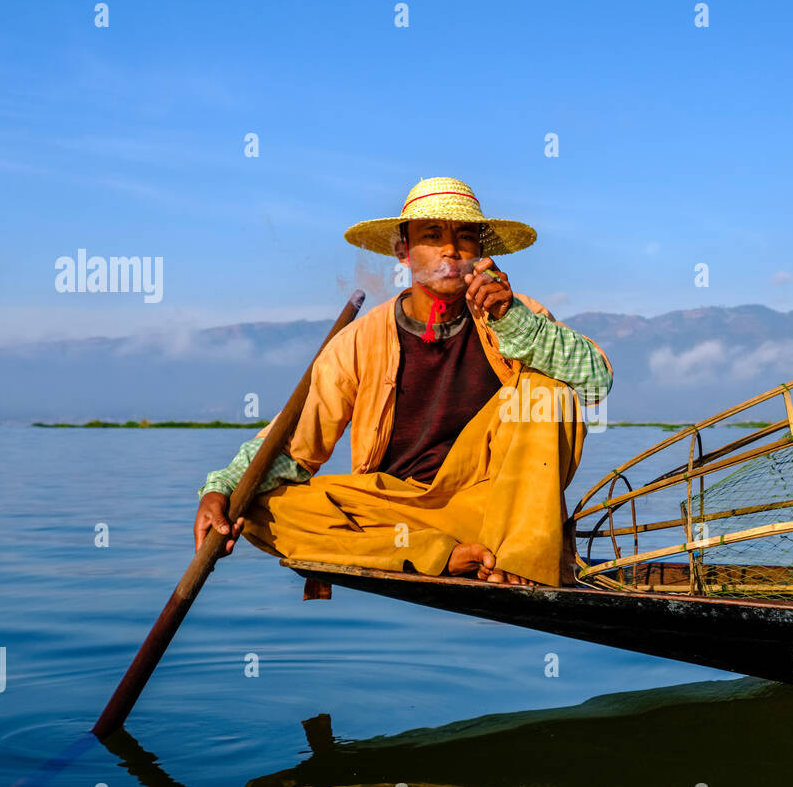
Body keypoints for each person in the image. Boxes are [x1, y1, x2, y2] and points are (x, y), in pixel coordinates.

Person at [192, 176, 613, 587]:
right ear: (404, 251)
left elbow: (595, 384)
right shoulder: (360, 339)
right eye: (432, 235)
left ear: (480, 253)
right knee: (262, 508)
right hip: (395, 516)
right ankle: (440, 554)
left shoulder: (512, 312)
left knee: (546, 391)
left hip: (491, 510)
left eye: (465, 237)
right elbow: (293, 447)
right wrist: (222, 490)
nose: (451, 249)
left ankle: (521, 561)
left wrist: (512, 322)